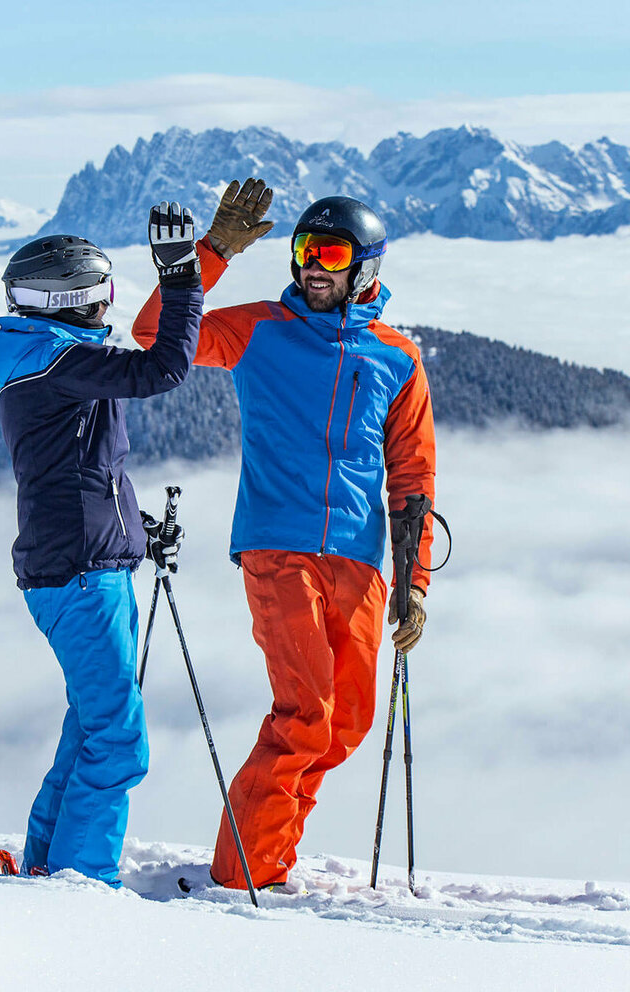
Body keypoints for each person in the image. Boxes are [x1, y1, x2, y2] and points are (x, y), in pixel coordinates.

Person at [132, 189, 437, 890]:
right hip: (278, 548)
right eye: (303, 252)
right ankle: (248, 876)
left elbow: (413, 478)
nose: (311, 268)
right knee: (305, 714)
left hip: (359, 562)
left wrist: (413, 584)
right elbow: (154, 334)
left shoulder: (398, 359)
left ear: (365, 268)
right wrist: (211, 257)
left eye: (329, 255)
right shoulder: (261, 329)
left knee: (346, 724)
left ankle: (269, 851)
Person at [0, 203, 203, 886]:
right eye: (104, 293)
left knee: (89, 730)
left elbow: (85, 473)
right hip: (80, 577)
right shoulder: (60, 363)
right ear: (74, 300)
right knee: (118, 746)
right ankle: (81, 888)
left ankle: (49, 867)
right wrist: (182, 280)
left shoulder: (41, 361)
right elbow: (164, 370)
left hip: (76, 568)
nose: (108, 305)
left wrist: (134, 528)